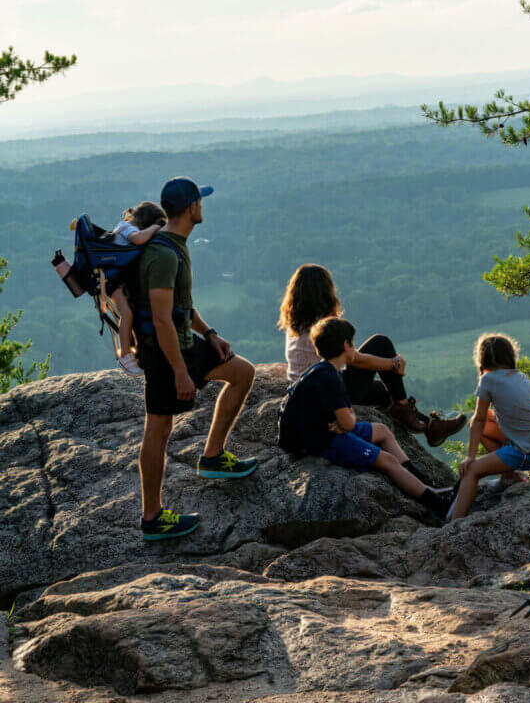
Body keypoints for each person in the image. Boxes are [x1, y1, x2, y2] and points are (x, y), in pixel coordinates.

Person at [135, 176, 258, 541]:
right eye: (199, 202)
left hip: (186, 342)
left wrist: (211, 334)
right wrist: (179, 373)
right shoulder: (161, 254)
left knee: (242, 372)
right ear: (191, 208)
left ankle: (213, 456)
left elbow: (182, 307)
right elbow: (160, 318)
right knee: (158, 429)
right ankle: (152, 516)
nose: (202, 207)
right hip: (164, 354)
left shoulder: (175, 246)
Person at [283, 316, 456, 521]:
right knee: (387, 460)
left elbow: (344, 415)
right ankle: (437, 503)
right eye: (353, 344)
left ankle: (425, 483)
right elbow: (348, 423)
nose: (355, 349)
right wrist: (348, 420)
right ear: (346, 346)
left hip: (324, 428)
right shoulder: (331, 378)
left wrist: (347, 418)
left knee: (382, 431)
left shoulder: (323, 371)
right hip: (322, 441)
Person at [279, 263, 466, 446]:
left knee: (382, 392)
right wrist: (393, 363)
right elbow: (355, 359)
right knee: (380, 343)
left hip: (307, 390)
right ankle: (404, 406)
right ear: (325, 293)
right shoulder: (321, 327)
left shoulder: (295, 325)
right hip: (325, 391)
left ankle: (430, 426)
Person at [447, 332, 530, 521]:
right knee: (484, 424)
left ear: (482, 360)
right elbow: (485, 420)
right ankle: (509, 476)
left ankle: (454, 524)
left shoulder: (488, 380)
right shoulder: (518, 375)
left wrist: (470, 458)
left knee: (473, 470)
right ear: (510, 355)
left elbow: (478, 420)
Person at [111, 201, 167, 376]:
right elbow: (139, 239)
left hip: (117, 280)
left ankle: (134, 351)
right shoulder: (125, 226)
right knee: (126, 314)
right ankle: (125, 355)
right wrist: (155, 228)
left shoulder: (127, 227)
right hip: (112, 282)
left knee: (131, 313)